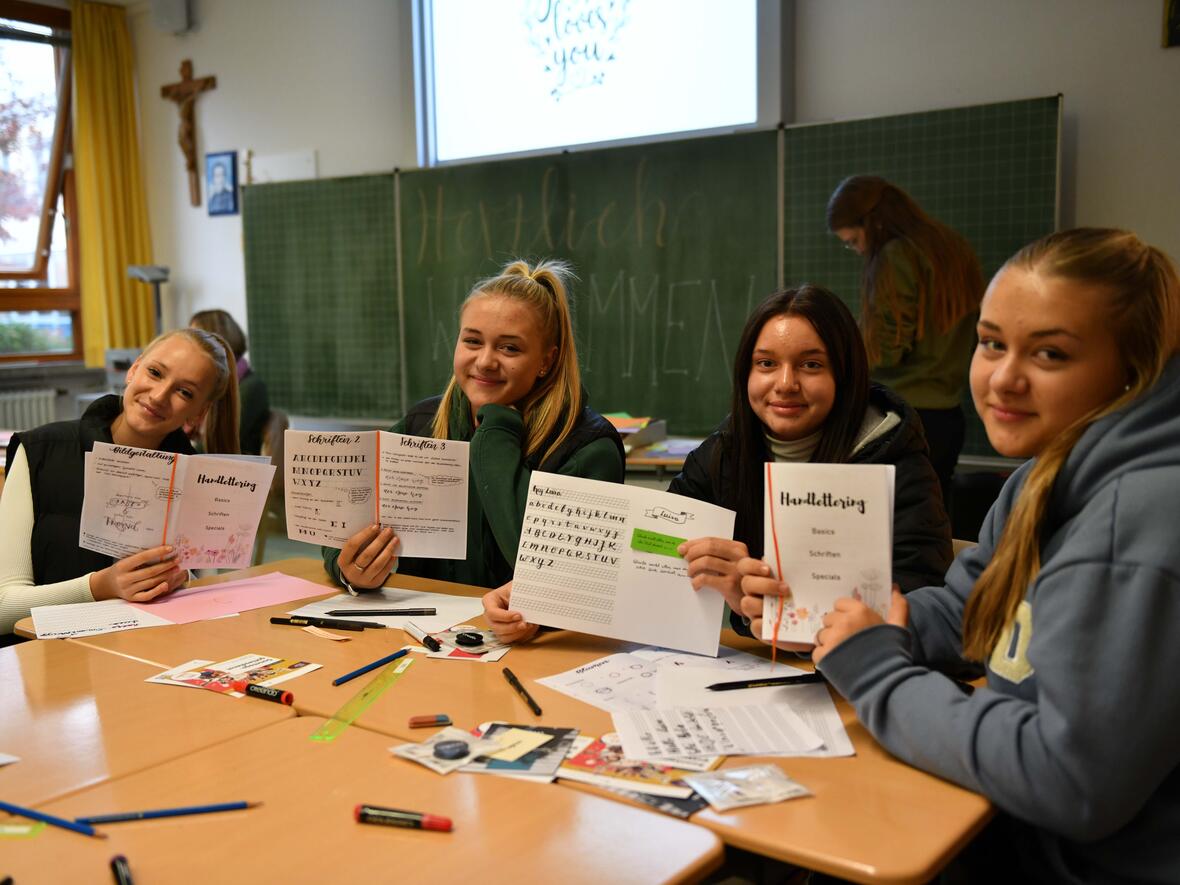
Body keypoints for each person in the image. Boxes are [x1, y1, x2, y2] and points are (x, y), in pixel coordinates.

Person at [742, 229, 1180, 882]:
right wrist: (865, 625)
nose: (1003, 377)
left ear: (1132, 371)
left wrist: (880, 675)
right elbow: (967, 609)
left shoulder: (1139, 519)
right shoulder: (1042, 476)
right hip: (1008, 821)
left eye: (1051, 353)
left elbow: (1070, 779)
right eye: (990, 342)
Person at [485, 284, 953, 644]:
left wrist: (758, 609)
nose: (784, 384)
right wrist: (542, 598)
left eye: (811, 365)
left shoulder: (895, 464)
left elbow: (922, 609)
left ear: (845, 375)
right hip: (744, 676)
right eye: (766, 364)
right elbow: (649, 559)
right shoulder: (722, 457)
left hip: (854, 685)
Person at [322, 258, 624, 593]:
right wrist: (349, 569)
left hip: (531, 641)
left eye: (510, 348)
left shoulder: (587, 448)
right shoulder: (421, 424)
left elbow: (558, 581)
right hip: (419, 631)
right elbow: (344, 531)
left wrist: (496, 432)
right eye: (473, 341)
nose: (485, 361)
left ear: (546, 361)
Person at [0, 328, 240, 639]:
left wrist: (185, 583)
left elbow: (209, 606)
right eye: (155, 372)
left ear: (199, 413)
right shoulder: (41, 451)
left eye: (185, 392)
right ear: (134, 368)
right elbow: (4, 608)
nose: (158, 395)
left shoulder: (200, 478)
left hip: (157, 657)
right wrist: (100, 587)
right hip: (53, 667)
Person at [827, 175, 984, 513]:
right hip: (948, 416)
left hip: (901, 416)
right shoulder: (952, 247)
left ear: (871, 222)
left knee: (886, 530)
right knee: (933, 523)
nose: (857, 250)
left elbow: (888, 345)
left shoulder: (895, 254)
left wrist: (838, 357)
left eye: (854, 241)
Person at [190, 309, 269, 455]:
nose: (190, 346)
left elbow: (218, 443)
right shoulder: (208, 380)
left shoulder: (251, 387)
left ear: (218, 340)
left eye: (196, 338)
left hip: (233, 470)